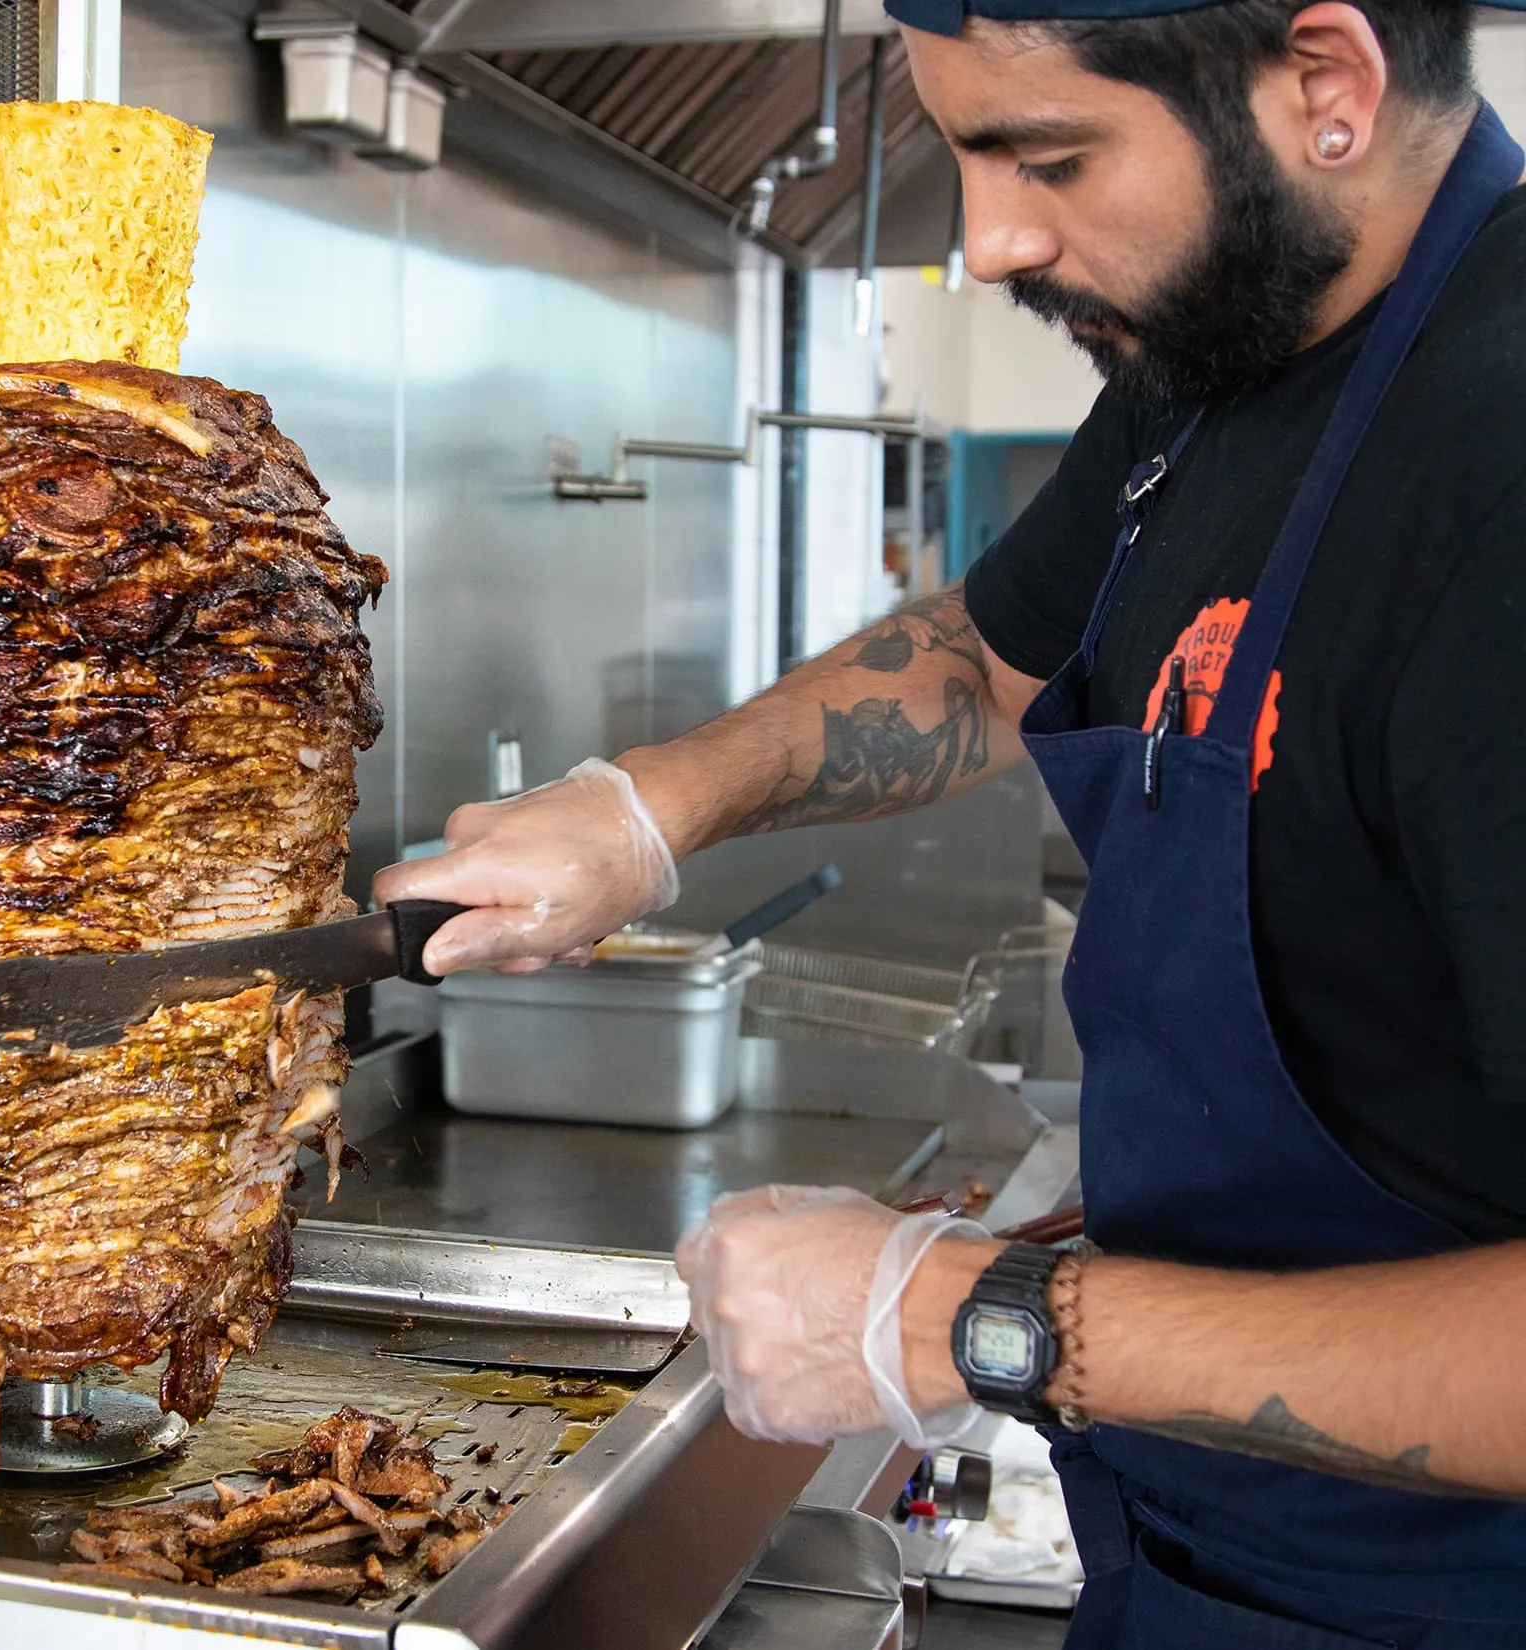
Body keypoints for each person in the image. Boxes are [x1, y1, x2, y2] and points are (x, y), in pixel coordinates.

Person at [374, 3, 1526, 1644]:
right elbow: (989, 660)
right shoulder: (1223, 359)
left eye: (1048, 158)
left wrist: (968, 1319)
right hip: (1200, 1559)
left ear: (1326, 84)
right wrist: (645, 812)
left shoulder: (1495, 458)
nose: (989, 244)